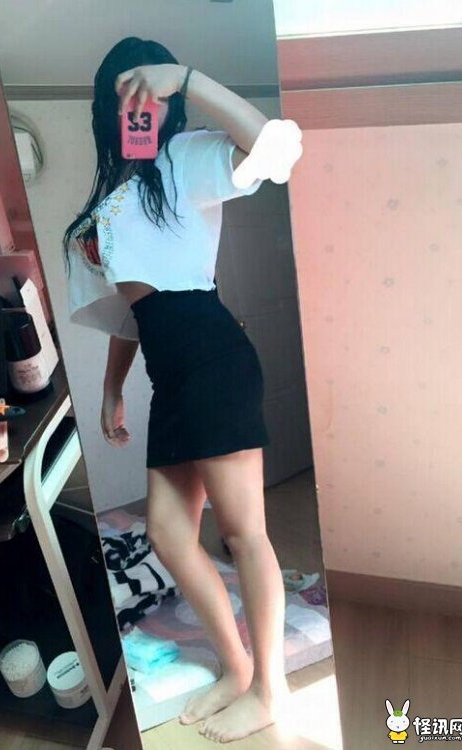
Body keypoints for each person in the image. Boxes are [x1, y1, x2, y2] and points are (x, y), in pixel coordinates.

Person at [63, 37, 290, 744]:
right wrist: (111, 389)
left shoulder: (185, 158)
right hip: (170, 372)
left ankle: (271, 689)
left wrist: (186, 76)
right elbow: (131, 313)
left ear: (168, 102)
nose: (139, 108)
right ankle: (236, 666)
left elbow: (272, 147)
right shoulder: (110, 200)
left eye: (151, 94)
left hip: (214, 358)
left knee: (243, 532)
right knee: (166, 531)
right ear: (105, 110)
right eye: (124, 96)